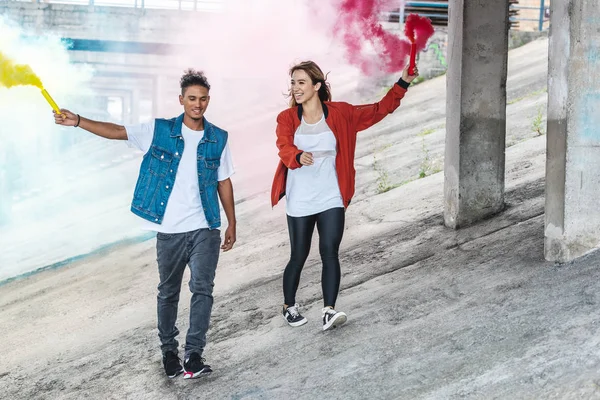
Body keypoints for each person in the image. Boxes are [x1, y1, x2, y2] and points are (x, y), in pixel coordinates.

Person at [54, 69, 237, 379]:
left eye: (203, 99)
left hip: (205, 225)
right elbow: (117, 131)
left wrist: (231, 222)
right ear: (181, 100)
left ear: (208, 101)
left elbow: (224, 180)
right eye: (192, 99)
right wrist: (79, 121)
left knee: (202, 289)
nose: (198, 104)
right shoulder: (160, 130)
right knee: (168, 292)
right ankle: (169, 352)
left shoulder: (218, 138)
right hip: (168, 230)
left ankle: (194, 355)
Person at [271, 61, 418, 331]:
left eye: (301, 82)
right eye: (293, 82)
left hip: (331, 197)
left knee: (330, 252)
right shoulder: (287, 118)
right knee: (299, 255)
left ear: (316, 86)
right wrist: (296, 156)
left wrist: (403, 82)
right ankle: (288, 306)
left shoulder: (341, 113)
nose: (295, 88)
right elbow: (283, 146)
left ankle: (329, 310)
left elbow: (378, 110)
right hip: (300, 199)